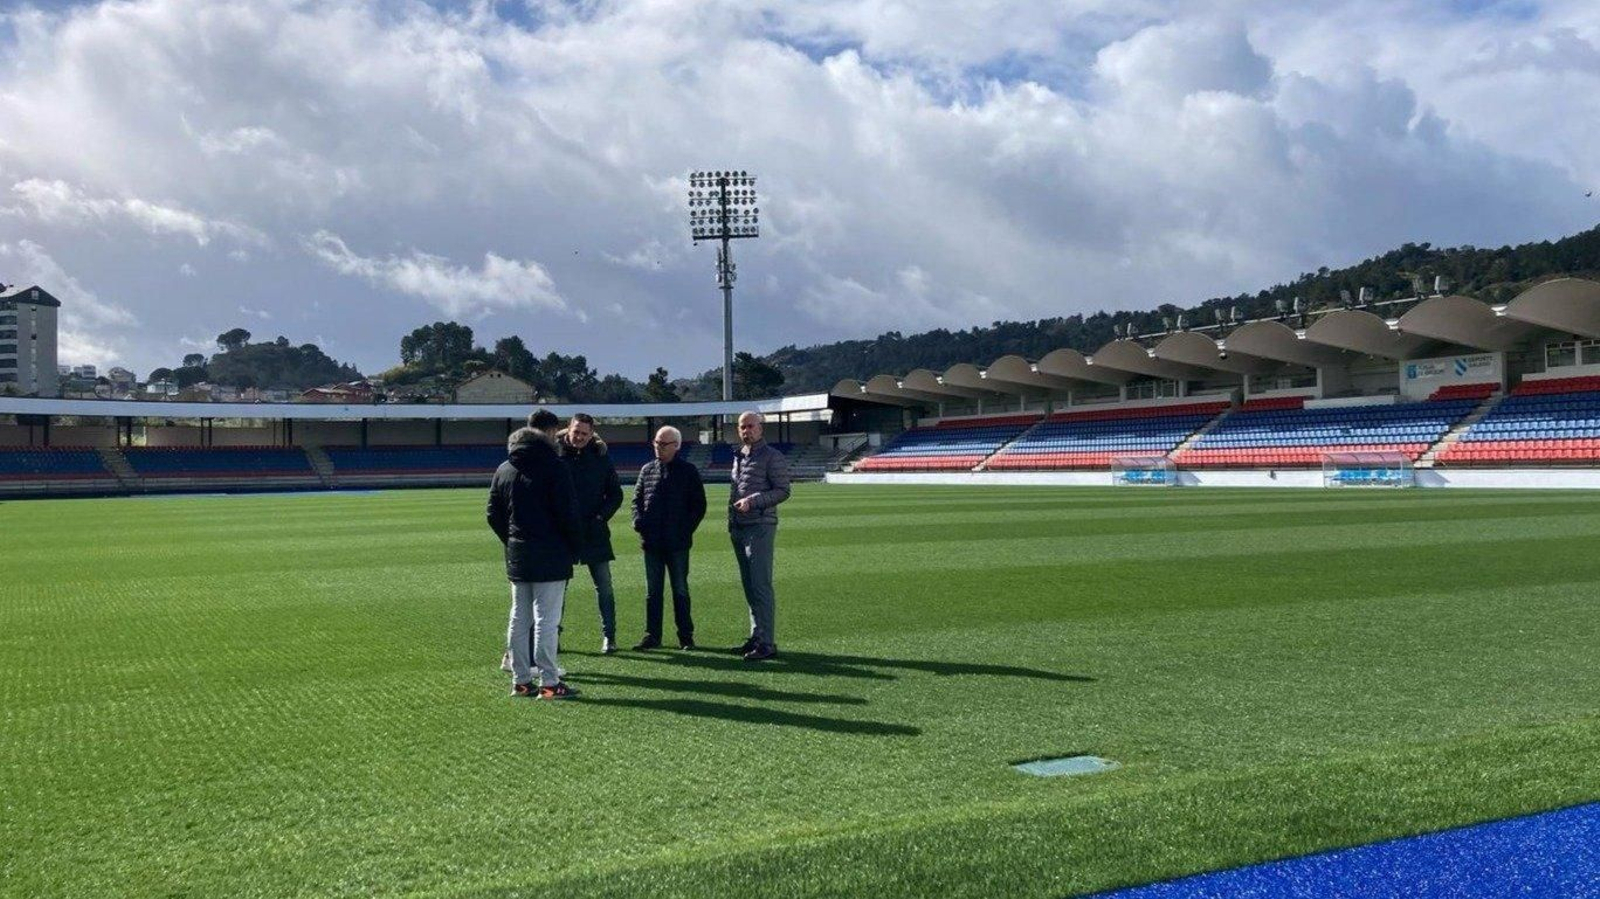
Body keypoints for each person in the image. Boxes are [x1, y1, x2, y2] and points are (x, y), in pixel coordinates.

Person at [487, 412, 582, 700]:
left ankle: (521, 680)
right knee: (546, 620)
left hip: (518, 553)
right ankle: (550, 683)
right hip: (551, 553)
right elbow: (568, 513)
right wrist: (574, 546)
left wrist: (512, 539)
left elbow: (493, 514)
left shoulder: (504, 468)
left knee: (519, 618)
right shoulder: (555, 466)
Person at [630, 425, 706, 651]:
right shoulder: (647, 470)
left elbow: (699, 506)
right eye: (656, 443)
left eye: (663, 444)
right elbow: (636, 500)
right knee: (652, 592)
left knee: (680, 590)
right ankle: (652, 635)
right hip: (651, 543)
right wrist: (638, 522)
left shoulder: (688, 471)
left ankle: (686, 636)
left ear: (676, 446)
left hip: (677, 544)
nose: (658, 447)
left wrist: (684, 530)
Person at [556, 412, 624, 654]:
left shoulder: (600, 456)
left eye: (585, 433)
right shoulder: (555, 455)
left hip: (594, 533)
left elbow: (616, 495)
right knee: (557, 590)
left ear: (591, 433)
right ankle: (554, 637)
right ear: (569, 428)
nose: (580, 437)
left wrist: (599, 517)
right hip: (562, 534)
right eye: (576, 432)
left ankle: (610, 637)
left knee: (604, 586)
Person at [728, 411, 791, 661]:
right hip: (739, 527)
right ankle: (756, 636)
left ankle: (767, 643)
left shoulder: (772, 456)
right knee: (749, 586)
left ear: (761, 428)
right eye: (743, 427)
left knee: (761, 585)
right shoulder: (739, 456)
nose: (747, 430)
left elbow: (783, 491)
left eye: (751, 426)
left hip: (761, 526)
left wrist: (754, 501)